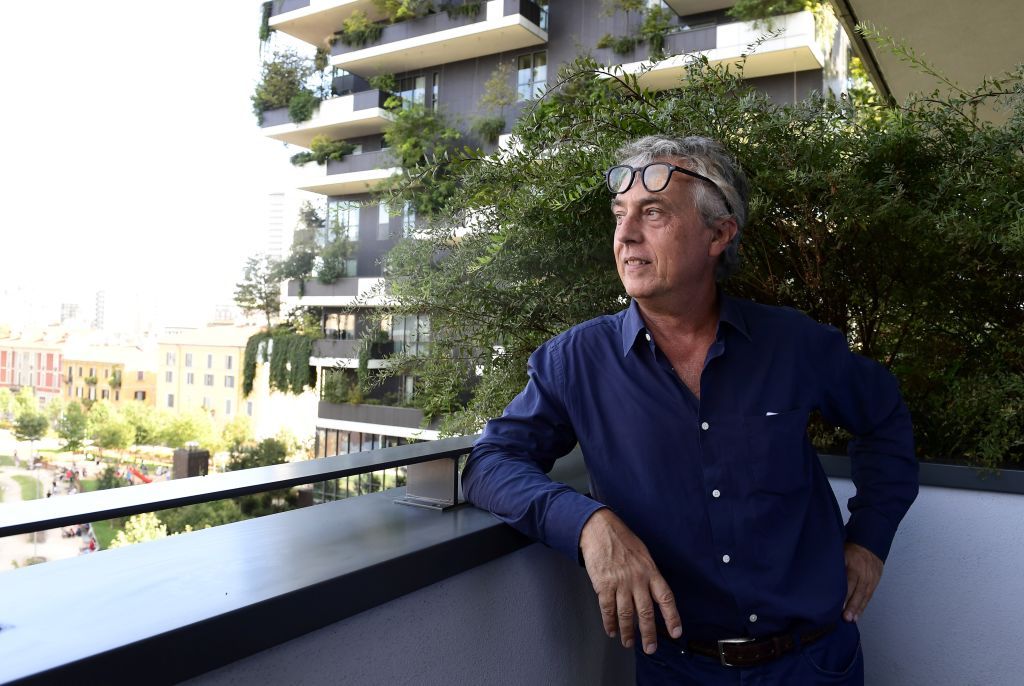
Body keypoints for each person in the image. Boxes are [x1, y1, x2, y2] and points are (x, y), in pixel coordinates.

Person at [462, 135, 918, 684]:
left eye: (653, 213)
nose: (626, 236)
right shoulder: (576, 361)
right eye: (620, 215)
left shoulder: (795, 345)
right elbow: (489, 464)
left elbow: (884, 418)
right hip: (679, 670)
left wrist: (870, 539)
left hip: (815, 662)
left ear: (719, 234)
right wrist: (588, 523)